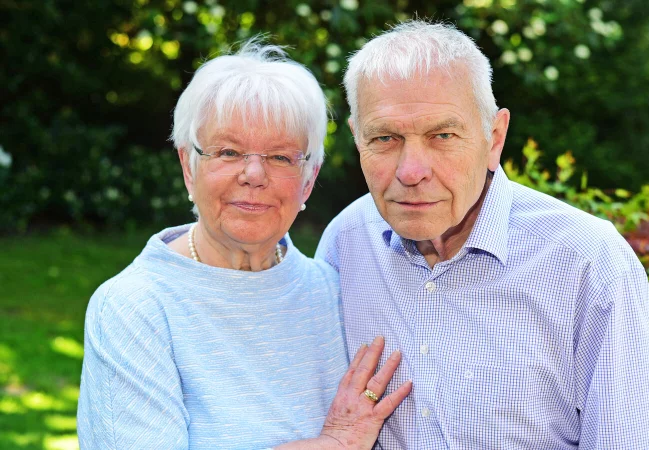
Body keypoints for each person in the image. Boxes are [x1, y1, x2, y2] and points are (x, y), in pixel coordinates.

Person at [316, 20, 649, 449]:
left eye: (442, 135)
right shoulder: (346, 244)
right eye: (385, 138)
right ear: (357, 138)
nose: (411, 172)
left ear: (494, 138)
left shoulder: (587, 261)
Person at [77, 41, 411, 449]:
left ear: (309, 178)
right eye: (229, 151)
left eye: (281, 157)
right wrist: (336, 443)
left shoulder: (335, 292)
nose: (254, 174)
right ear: (188, 165)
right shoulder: (135, 308)